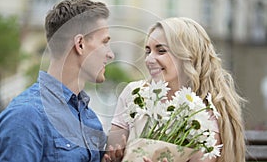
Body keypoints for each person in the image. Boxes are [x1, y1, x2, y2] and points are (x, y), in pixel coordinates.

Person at [103, 17, 246, 162]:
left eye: (161, 51)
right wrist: (114, 157)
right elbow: (111, 151)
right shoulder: (134, 93)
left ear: (189, 55)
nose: (149, 59)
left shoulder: (207, 112)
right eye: (148, 51)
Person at [0, 0, 114, 162]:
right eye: (104, 43)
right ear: (80, 44)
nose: (110, 54)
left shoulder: (90, 119)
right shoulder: (27, 115)